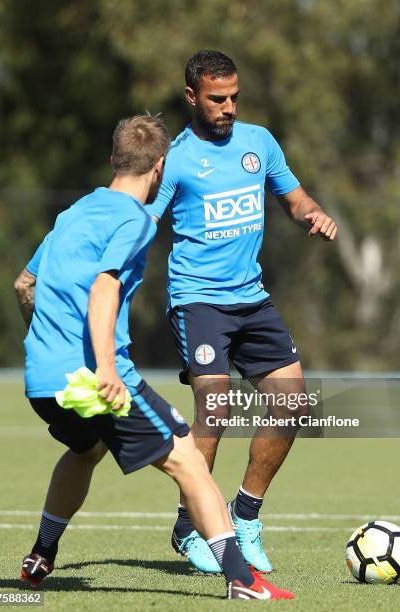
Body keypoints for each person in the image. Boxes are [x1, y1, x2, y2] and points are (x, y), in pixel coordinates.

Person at [13, 115, 295, 600]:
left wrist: (47, 348)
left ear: (113, 160)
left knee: (85, 451)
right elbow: (105, 286)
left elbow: (24, 284)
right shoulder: (136, 220)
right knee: (188, 460)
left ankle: (41, 554)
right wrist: (103, 366)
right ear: (160, 166)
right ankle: (242, 580)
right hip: (98, 378)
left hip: (43, 382)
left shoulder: (73, 213)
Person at [147, 51, 338, 574]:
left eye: (234, 97)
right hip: (197, 298)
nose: (228, 107)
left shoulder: (260, 143)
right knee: (216, 407)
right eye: (217, 99)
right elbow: (141, 223)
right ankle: (193, 530)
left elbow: (295, 199)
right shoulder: (176, 158)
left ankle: (245, 515)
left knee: (295, 406)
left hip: (251, 297)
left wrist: (313, 214)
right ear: (192, 97)